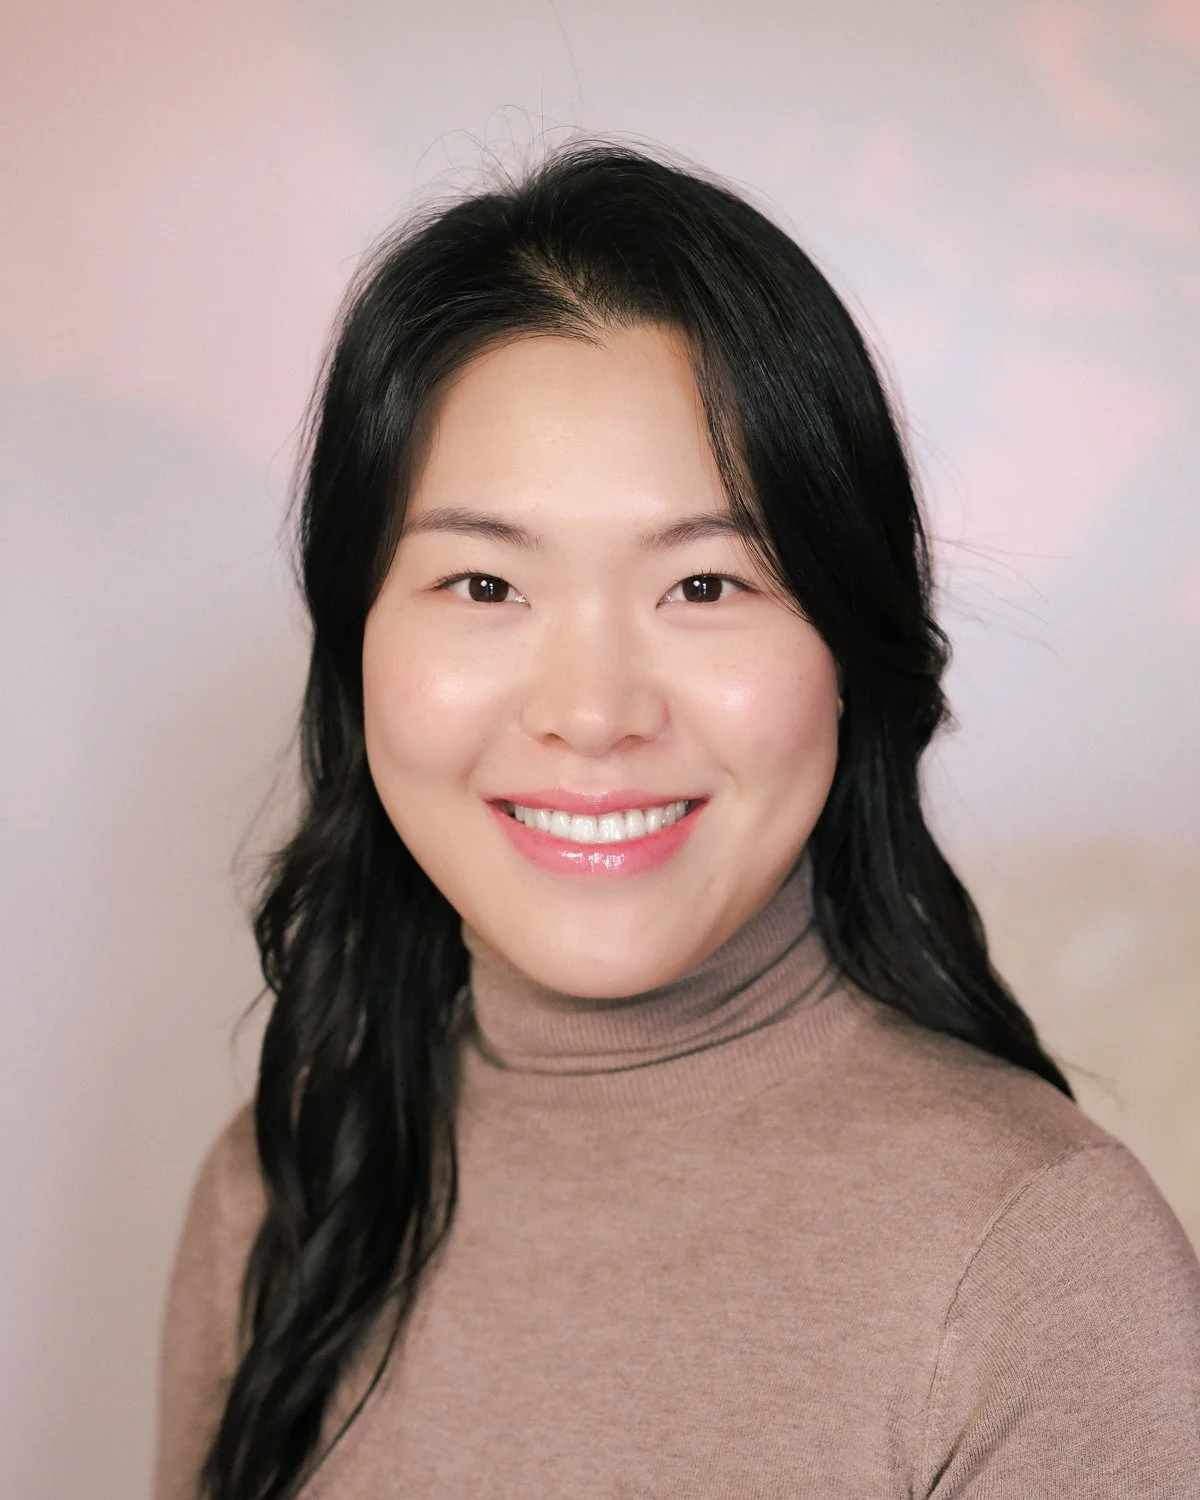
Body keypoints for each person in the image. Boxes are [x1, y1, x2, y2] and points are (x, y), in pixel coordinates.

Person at [153, 143, 1200, 1500]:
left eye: (706, 585)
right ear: (354, 646)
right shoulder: (285, 1184)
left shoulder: (1038, 1261)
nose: (593, 712)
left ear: (849, 649)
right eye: (484, 584)